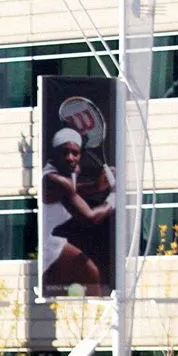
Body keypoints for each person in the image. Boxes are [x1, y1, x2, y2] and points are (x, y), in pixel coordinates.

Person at [41, 126, 114, 294]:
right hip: (42, 245)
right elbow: (90, 217)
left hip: (47, 240)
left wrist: (97, 186)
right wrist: (115, 198)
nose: (70, 157)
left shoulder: (65, 176)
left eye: (75, 153)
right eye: (64, 152)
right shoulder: (56, 181)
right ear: (54, 154)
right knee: (89, 274)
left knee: (89, 274)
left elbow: (72, 192)